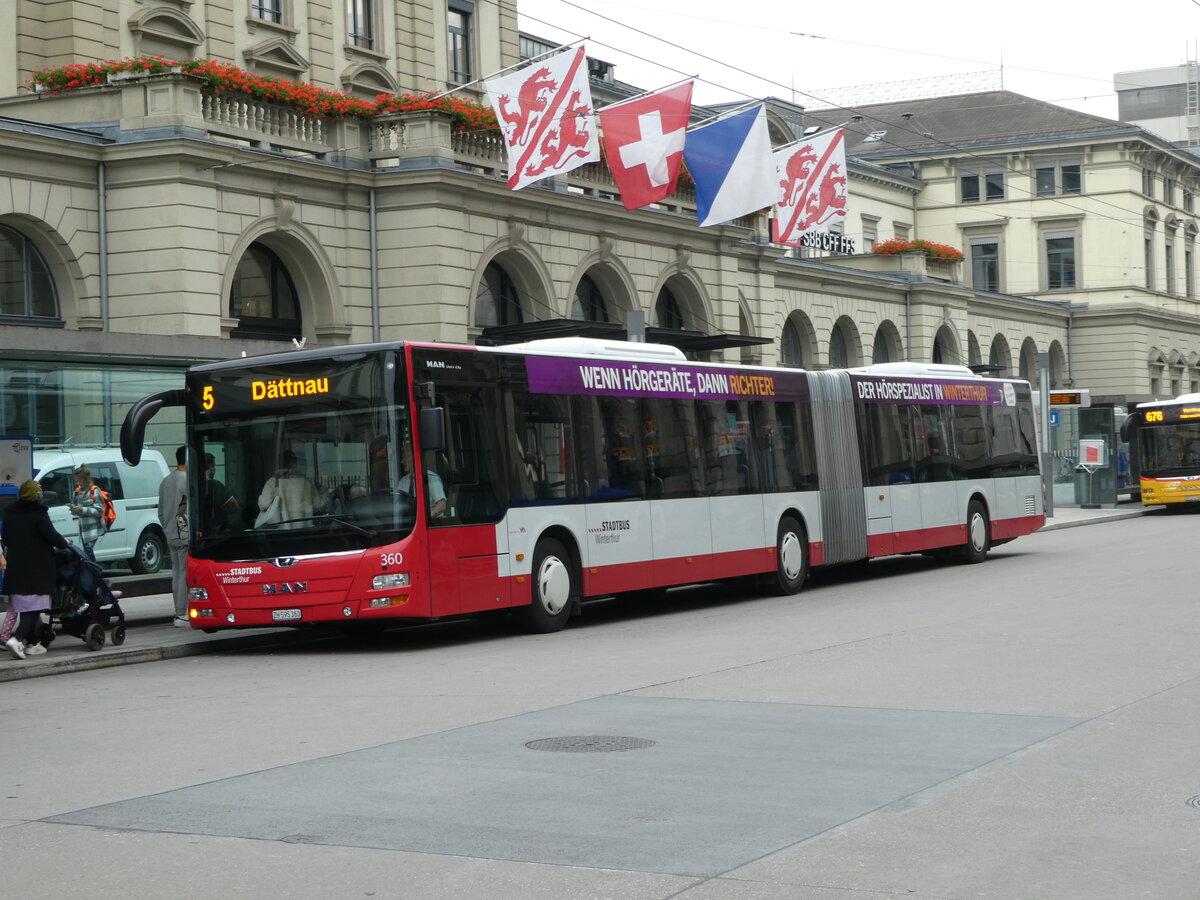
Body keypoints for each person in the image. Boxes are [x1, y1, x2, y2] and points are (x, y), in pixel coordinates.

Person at [2, 480, 69, 659]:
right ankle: (16, 639)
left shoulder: (10, 513)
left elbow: (5, 538)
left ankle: (31, 644)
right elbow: (51, 536)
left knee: (25, 607)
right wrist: (64, 543)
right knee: (34, 607)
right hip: (37, 569)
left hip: (16, 568)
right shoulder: (39, 513)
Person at [158, 445, 189, 628]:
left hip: (170, 532)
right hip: (184, 533)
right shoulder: (187, 480)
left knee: (176, 572)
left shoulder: (166, 481)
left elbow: (160, 512)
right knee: (184, 573)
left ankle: (178, 611)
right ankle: (183, 613)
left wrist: (167, 527)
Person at [258, 450, 325, 529]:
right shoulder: (306, 483)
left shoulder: (272, 482)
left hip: (280, 532)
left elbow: (264, 504)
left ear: (279, 464)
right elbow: (319, 505)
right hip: (304, 530)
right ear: (295, 464)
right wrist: (324, 493)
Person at [398, 444, 446, 518]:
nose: (402, 461)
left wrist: (425, 518)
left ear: (414, 457)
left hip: (431, 522)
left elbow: (442, 505)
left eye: (405, 457)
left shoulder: (431, 479)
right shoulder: (403, 481)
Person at [69, 464, 105, 562]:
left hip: (93, 528)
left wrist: (82, 509)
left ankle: (93, 570)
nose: (78, 483)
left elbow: (99, 511)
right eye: (76, 481)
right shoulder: (77, 492)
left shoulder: (95, 491)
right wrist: (73, 510)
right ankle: (94, 570)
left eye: (80, 481)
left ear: (87, 479)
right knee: (88, 554)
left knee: (88, 552)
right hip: (83, 530)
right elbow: (76, 510)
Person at [203, 453, 239, 533]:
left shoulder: (195, 485)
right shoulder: (217, 485)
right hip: (216, 531)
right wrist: (222, 510)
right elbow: (234, 505)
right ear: (210, 466)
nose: (215, 469)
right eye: (214, 466)